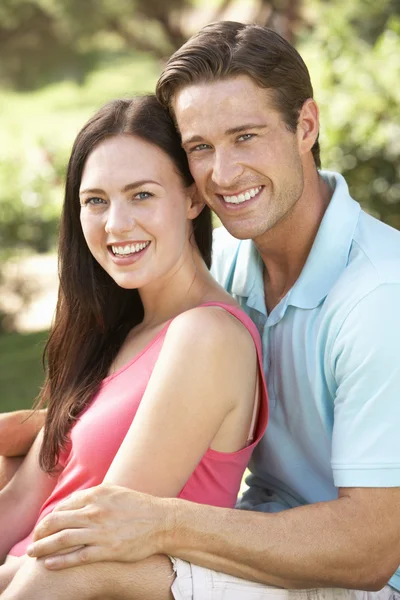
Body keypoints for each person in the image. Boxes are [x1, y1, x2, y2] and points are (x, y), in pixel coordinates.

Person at [1, 19, 400, 600]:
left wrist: (163, 521)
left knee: (89, 564)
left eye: (245, 136)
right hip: (259, 530)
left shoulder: (379, 298)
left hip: (359, 580)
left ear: (306, 125)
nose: (223, 173)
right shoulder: (237, 257)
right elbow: (178, 400)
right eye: (199, 148)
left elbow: (370, 548)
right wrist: (47, 430)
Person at [0, 93, 268, 599]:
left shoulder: (208, 336)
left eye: (141, 195)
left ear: (192, 199)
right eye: (95, 200)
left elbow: (96, 542)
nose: (115, 224)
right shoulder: (109, 336)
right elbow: (17, 504)